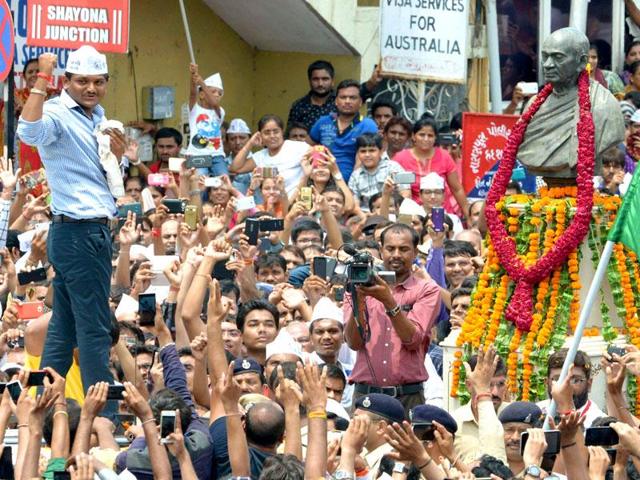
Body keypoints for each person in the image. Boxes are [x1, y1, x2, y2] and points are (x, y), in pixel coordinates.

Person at [17, 47, 124, 418]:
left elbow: (102, 173)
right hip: (80, 232)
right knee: (94, 329)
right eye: (82, 81)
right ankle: (104, 420)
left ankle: (41, 406)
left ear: (107, 83)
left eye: (98, 82)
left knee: (63, 328)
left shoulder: (97, 116)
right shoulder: (58, 112)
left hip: (79, 231)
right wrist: (41, 79)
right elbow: (27, 131)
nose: (91, 88)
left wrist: (120, 155)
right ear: (68, 81)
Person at [344, 223, 441, 412]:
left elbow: (412, 340)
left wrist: (389, 301)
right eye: (390, 248)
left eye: (404, 249)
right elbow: (354, 343)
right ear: (381, 251)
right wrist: (360, 299)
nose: (396, 254)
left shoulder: (427, 290)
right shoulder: (357, 285)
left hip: (407, 397)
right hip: (366, 397)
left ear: (414, 253)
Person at [517, 27, 624, 181]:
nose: (547, 64)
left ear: (581, 61)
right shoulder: (534, 105)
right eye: (545, 56)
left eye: (557, 57)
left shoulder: (603, 104)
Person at [394, 116, 469, 218]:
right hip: (414, 216)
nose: (426, 139)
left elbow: (457, 189)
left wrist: (468, 216)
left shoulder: (444, 156)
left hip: (442, 214)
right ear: (413, 136)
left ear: (435, 138)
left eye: (430, 135)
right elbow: (397, 191)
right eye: (421, 135)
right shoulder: (401, 158)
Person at [310, 79, 378, 182]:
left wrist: (351, 186)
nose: (347, 101)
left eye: (352, 98)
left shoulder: (368, 125)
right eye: (343, 97)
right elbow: (306, 147)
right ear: (336, 101)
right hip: (322, 180)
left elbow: (363, 160)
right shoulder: (323, 122)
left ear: (360, 102)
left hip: (354, 182)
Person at [452, 348, 510, 464]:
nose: (494, 392)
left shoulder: (514, 418)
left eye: (501, 384)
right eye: (488, 385)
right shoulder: (454, 422)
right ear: (469, 385)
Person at [230, 114, 308, 196]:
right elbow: (235, 168)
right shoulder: (260, 156)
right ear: (260, 135)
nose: (272, 136)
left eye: (276, 131)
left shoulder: (298, 147)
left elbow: (319, 153)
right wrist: (250, 143)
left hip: (297, 205)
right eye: (267, 133)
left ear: (282, 132)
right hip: (270, 206)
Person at [536, 348, 605, 428]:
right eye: (558, 379)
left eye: (575, 380)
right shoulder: (535, 413)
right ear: (546, 383)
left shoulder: (599, 422)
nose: (566, 386)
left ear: (589, 384)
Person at [348, 133, 410, 212]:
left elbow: (406, 194)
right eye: (363, 151)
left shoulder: (394, 167)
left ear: (381, 151)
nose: (367, 155)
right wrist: (364, 216)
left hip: (392, 214)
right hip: (367, 217)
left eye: (372, 150)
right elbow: (354, 205)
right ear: (358, 153)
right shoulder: (355, 176)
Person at [187, 63, 227, 176]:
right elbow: (192, 94)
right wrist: (193, 75)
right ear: (202, 95)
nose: (217, 95)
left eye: (220, 93)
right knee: (199, 184)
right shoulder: (194, 110)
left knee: (224, 180)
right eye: (213, 91)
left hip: (217, 155)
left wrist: (202, 84)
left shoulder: (220, 111)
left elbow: (214, 104)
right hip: (196, 155)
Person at [287, 60, 337, 130]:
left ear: (332, 81)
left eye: (325, 79)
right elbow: (291, 135)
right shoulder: (299, 106)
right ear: (309, 81)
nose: (320, 84)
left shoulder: (341, 103)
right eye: (315, 79)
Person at [498, 402, 543, 476]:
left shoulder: (547, 466)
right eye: (509, 430)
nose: (515, 438)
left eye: (523, 431)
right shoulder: (488, 466)